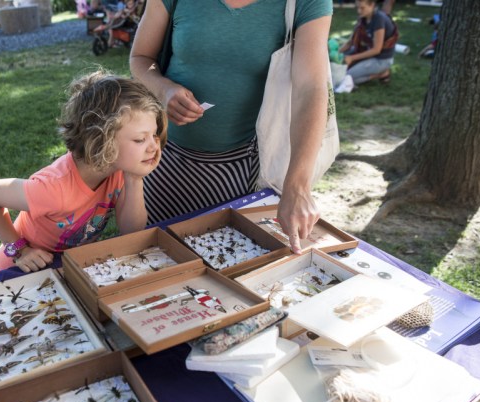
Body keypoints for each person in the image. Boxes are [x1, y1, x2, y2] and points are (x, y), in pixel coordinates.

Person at [130, 0, 333, 254]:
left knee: (223, 265)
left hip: (239, 169)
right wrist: (163, 89)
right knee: (150, 259)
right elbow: (141, 58)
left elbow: (311, 88)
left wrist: (298, 186)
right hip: (161, 159)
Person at [0, 70, 167, 273]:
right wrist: (19, 250)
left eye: (153, 135)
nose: (154, 146)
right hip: (22, 270)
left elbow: (131, 231)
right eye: (140, 139)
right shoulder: (54, 189)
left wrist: (135, 180)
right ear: (102, 140)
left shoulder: (120, 169)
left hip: (67, 265)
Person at [338, 0, 398, 87]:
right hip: (367, 53)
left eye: (362, 8)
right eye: (357, 7)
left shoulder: (379, 19)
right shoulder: (363, 17)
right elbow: (350, 42)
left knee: (347, 77)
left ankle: (382, 73)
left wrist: (351, 58)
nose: (359, 11)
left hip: (381, 59)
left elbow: (376, 50)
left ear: (372, 5)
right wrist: (337, 53)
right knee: (340, 66)